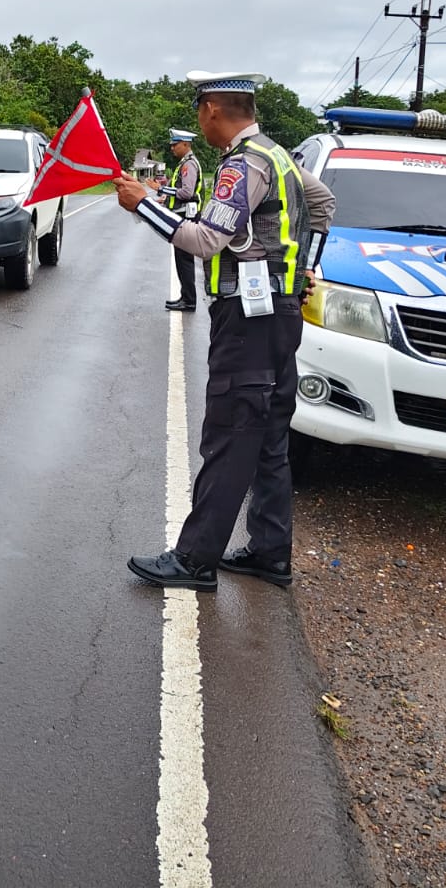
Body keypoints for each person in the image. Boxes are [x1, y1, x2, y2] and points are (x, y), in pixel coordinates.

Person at [114, 71, 337, 592]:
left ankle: (194, 559)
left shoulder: (243, 164)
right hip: (280, 315)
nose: (199, 121)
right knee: (269, 440)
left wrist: (142, 205)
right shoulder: (280, 156)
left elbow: (206, 239)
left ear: (212, 109)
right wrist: (304, 266)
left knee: (231, 434)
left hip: (249, 320)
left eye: (199, 111)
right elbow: (323, 205)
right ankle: (268, 551)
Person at [154, 128, 203, 312]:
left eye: (175, 144)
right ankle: (186, 296)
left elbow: (186, 193)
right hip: (183, 215)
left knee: (184, 260)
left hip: (186, 217)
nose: (172, 148)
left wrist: (162, 190)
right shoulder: (185, 163)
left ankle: (189, 300)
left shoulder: (188, 165)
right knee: (181, 259)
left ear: (186, 144)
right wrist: (166, 200)